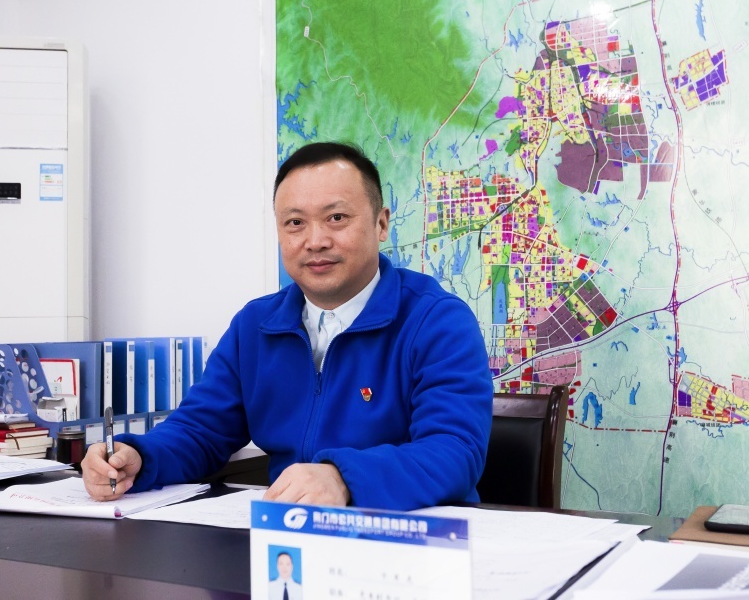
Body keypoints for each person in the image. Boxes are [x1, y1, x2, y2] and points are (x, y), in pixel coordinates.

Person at [81, 141, 492, 510]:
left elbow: (454, 451)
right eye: (295, 223)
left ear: (381, 224)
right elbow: (200, 431)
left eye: (336, 218)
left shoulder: (437, 321)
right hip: (289, 539)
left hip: (408, 542)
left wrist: (342, 478)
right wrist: (139, 457)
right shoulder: (255, 325)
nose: (315, 241)